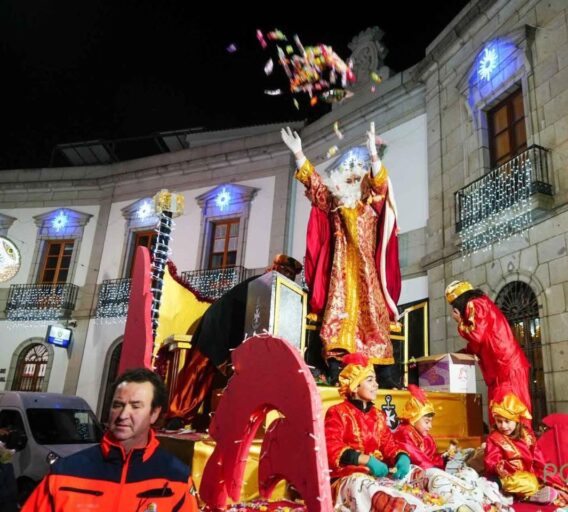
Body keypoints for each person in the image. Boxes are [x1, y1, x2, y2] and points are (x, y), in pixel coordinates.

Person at [281, 124, 401, 387]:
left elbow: (381, 184)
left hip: (368, 273)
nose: (351, 181)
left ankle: (383, 373)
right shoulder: (334, 202)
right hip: (340, 274)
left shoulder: (371, 202)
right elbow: (314, 186)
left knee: (373, 316)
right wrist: (299, 154)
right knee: (337, 317)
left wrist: (374, 157)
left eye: (356, 177)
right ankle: (336, 368)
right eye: (346, 177)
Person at [23, 368, 197, 512]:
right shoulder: (65, 471)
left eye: (135, 406)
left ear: (154, 413)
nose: (123, 415)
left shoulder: (176, 477)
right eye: (118, 405)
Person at [166, 253, 303, 426]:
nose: (287, 276)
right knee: (197, 370)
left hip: (231, 337)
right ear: (276, 269)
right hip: (216, 329)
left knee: (211, 377)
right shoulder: (263, 283)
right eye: (284, 271)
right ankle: (176, 415)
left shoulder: (273, 288)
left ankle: (199, 418)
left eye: (290, 274)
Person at [324, 353, 419, 510]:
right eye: (370, 380)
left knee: (415, 471)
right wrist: (365, 460)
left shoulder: (378, 415)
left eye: (375, 379)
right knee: (361, 484)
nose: (376, 384)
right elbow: (330, 446)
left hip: (377, 477)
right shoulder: (338, 412)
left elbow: (389, 444)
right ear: (354, 387)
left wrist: (402, 457)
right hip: (347, 478)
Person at [445, 281, 531, 414]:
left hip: (506, 366)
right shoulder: (481, 303)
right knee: (501, 413)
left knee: (511, 414)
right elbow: (480, 341)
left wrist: (460, 322)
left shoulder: (474, 304)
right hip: (502, 367)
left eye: (454, 305)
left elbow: (477, 335)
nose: (454, 310)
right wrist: (464, 353)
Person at [484, 387, 568, 506]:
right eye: (499, 421)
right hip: (506, 478)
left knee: (535, 480)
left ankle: (531, 494)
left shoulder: (527, 437)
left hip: (527, 477)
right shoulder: (494, 438)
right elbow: (491, 460)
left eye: (507, 421)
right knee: (529, 483)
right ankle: (497, 488)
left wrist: (557, 484)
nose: (503, 426)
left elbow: (540, 461)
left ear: (516, 420)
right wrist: (500, 467)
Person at [394, 384, 445, 470]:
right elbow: (417, 458)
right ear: (413, 419)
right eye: (426, 422)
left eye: (430, 421)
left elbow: (431, 458)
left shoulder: (427, 439)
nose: (430, 426)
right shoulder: (404, 432)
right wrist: (434, 469)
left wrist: (444, 458)